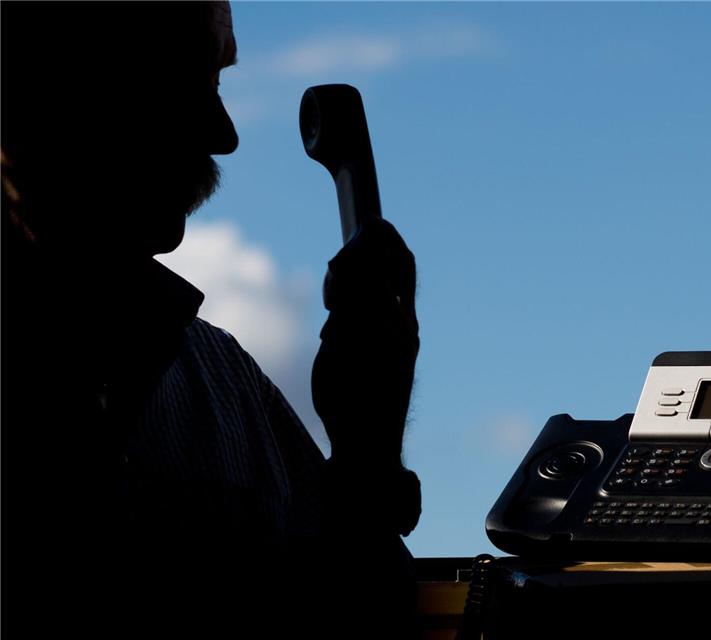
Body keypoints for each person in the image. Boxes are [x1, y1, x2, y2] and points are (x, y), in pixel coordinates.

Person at [1, 1, 421, 634]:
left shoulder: (223, 379)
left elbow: (356, 613)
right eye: (187, 79)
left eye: (217, 82)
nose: (224, 133)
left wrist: (367, 454)